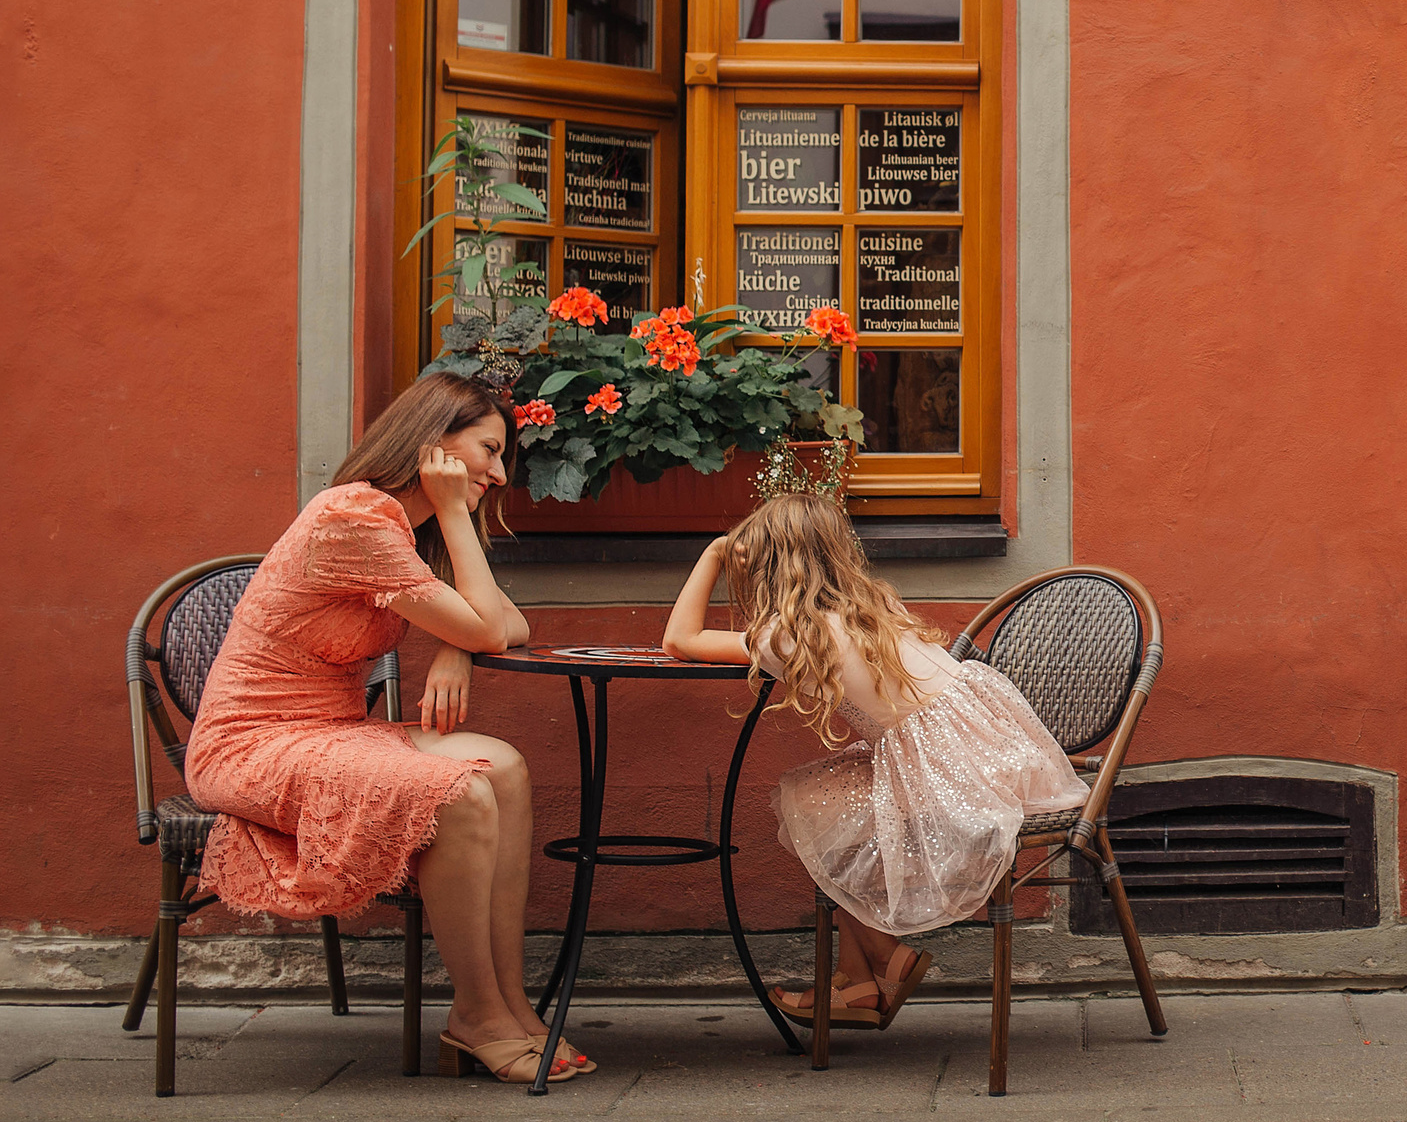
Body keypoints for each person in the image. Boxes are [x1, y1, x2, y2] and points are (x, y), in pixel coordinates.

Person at [185, 372, 580, 1085]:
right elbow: (495, 623)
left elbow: (508, 625)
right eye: (489, 450)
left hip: (330, 727)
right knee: (458, 792)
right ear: (434, 443)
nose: (496, 473)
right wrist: (458, 521)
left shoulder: (403, 526)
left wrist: (456, 647)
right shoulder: (354, 517)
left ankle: (513, 1006)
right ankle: (478, 1014)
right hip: (251, 742)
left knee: (506, 767)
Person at [662, 493, 1088, 1024]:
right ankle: (857, 983)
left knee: (812, 814)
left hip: (952, 781)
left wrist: (713, 554)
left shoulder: (792, 634)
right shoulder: (875, 608)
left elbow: (678, 638)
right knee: (828, 816)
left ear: (769, 566)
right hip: (996, 760)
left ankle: (890, 958)